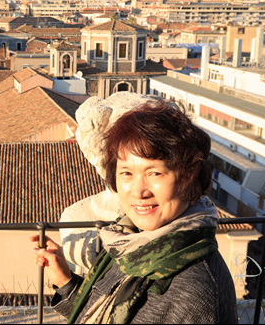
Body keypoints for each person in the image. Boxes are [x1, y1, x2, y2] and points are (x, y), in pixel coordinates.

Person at [31, 96, 238, 324]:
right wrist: (65, 281)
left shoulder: (194, 292)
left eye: (155, 173)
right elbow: (103, 314)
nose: (139, 191)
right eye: (127, 173)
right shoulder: (130, 241)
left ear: (189, 178)